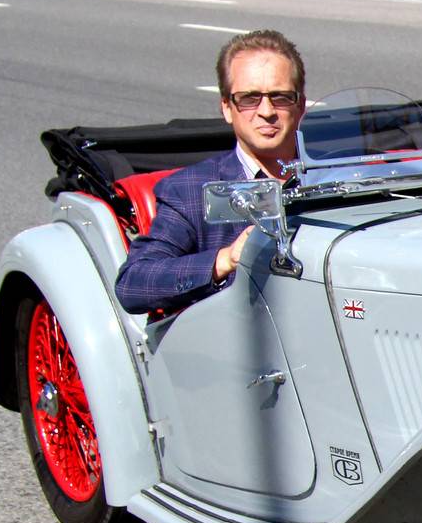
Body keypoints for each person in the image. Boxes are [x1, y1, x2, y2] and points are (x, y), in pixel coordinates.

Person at [115, 30, 307, 317]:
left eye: (280, 97)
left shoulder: (336, 178)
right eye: (249, 98)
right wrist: (225, 260)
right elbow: (134, 284)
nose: (266, 111)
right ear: (227, 108)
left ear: (300, 105)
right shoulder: (189, 190)